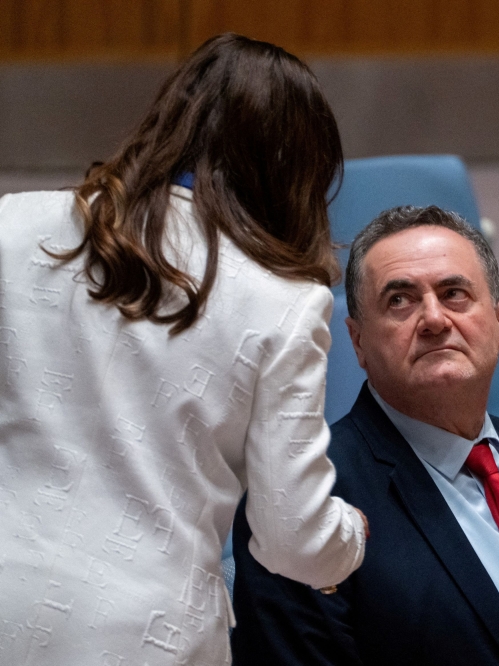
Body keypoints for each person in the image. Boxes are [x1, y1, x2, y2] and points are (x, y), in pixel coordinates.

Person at [0, 34, 366, 664]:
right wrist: (352, 533)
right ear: (297, 173)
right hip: (144, 634)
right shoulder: (285, 303)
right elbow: (295, 541)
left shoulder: (13, 223)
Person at [230, 205, 499, 666]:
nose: (434, 319)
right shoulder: (301, 502)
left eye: (454, 293)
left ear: (498, 325)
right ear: (357, 342)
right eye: (400, 301)